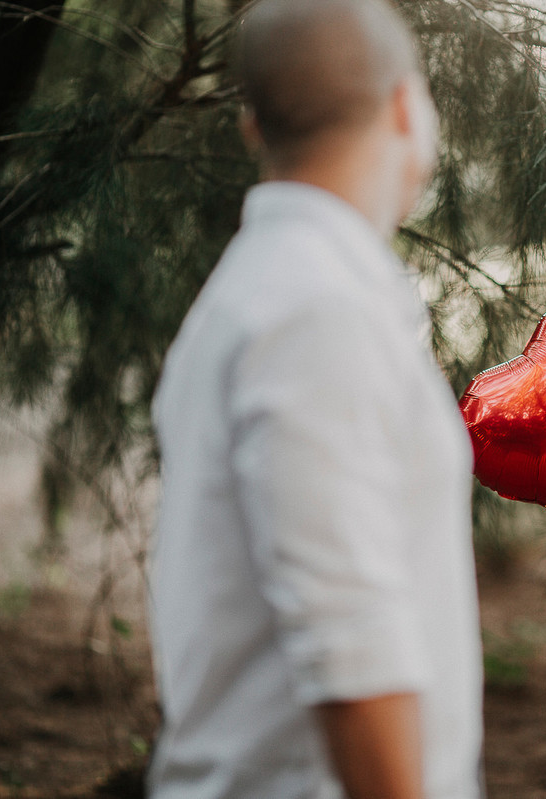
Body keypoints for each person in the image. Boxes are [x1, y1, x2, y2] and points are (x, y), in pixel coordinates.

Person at [146, 1, 483, 797]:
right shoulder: (316, 308)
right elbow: (352, 648)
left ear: (251, 127)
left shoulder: (267, 291)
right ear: (407, 105)